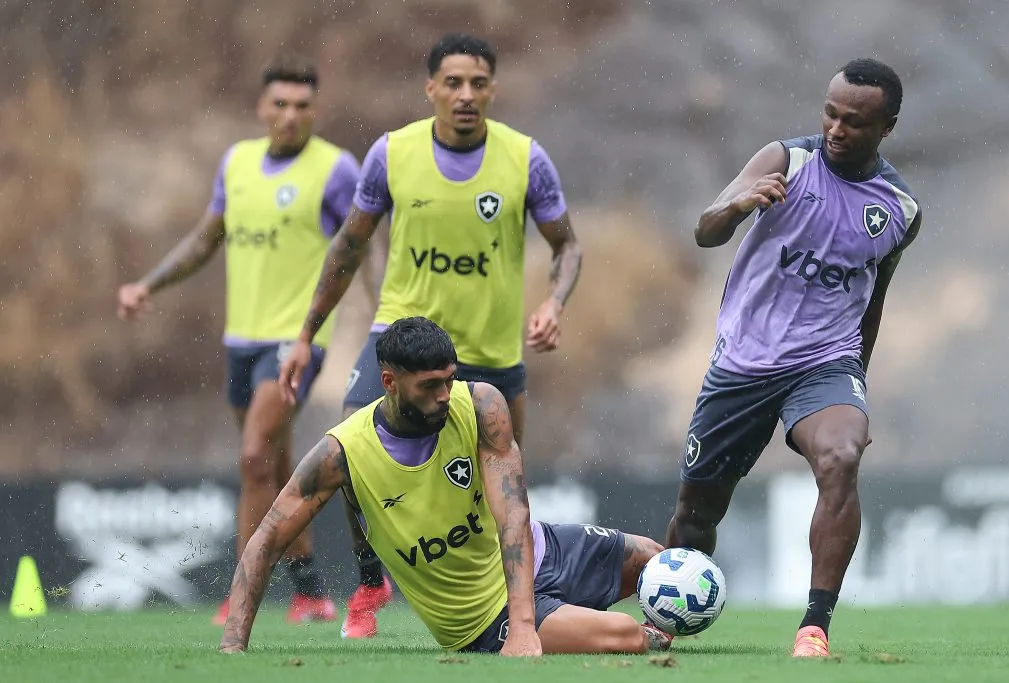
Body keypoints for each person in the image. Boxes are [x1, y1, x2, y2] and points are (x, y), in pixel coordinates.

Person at [277, 34, 583, 638]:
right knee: (350, 433)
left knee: (504, 486)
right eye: (453, 83)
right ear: (431, 89)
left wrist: (554, 301)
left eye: (477, 84)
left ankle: (517, 612)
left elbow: (566, 244)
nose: (465, 95)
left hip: (492, 352)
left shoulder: (525, 159)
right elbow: (349, 243)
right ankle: (370, 581)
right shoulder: (393, 154)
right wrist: (305, 333)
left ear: (493, 90)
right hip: (402, 333)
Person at [664, 58, 922, 658]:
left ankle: (814, 627)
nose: (835, 129)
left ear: (888, 127)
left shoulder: (899, 210)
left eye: (854, 122)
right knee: (697, 515)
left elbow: (872, 299)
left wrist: (855, 374)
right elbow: (705, 231)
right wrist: (738, 203)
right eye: (830, 113)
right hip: (744, 364)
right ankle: (667, 619)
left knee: (840, 456)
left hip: (824, 364)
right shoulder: (786, 160)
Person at [221, 317, 670, 655]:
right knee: (627, 634)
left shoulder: (480, 403)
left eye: (449, 379)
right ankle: (576, 623)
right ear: (390, 383)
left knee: (656, 562)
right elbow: (266, 540)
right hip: (478, 614)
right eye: (430, 385)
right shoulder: (342, 452)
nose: (443, 394)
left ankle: (563, 618)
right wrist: (233, 646)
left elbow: (512, 513)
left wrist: (525, 624)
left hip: (538, 552)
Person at [117, 55, 362, 625]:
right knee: (270, 469)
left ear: (316, 111)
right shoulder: (238, 163)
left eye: (303, 106)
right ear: (261, 107)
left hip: (296, 343)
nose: (290, 115)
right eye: (280, 103)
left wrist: (368, 319)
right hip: (242, 341)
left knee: (253, 454)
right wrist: (147, 284)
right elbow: (207, 238)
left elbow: (360, 244)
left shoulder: (336, 170)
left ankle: (241, 594)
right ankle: (310, 592)